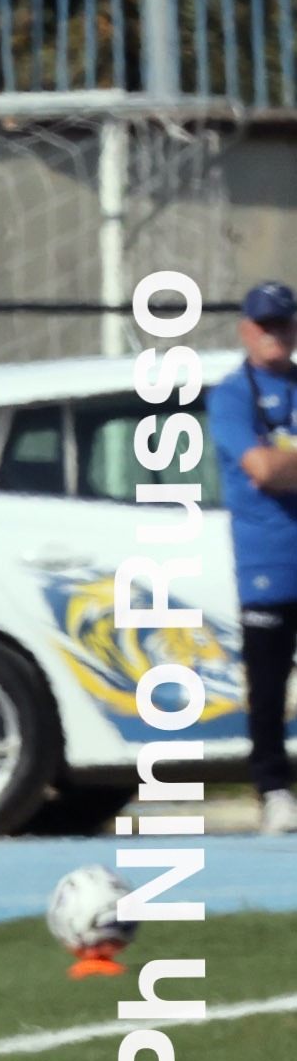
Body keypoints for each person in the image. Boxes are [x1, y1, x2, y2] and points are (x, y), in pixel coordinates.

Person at [212, 280, 297, 834]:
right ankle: (273, 790)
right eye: (264, 325)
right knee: (267, 686)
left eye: (282, 324)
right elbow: (261, 469)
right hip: (268, 564)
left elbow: (276, 467)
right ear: (246, 330)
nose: (274, 334)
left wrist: (282, 465)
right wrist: (274, 465)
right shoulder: (232, 394)